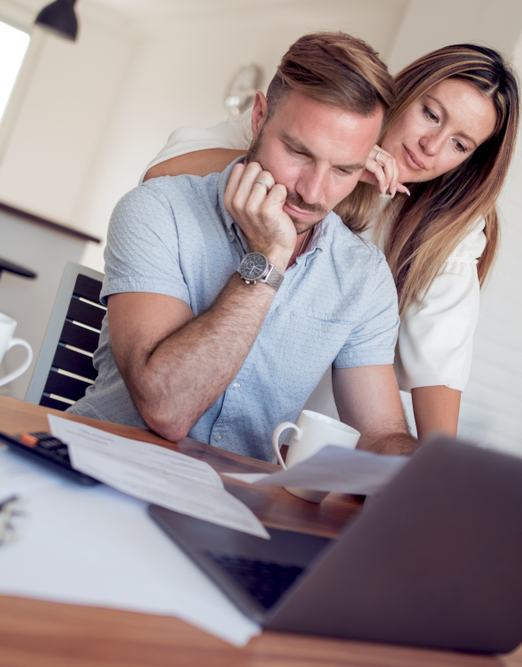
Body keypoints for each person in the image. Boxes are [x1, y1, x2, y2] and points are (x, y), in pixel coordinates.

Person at [143, 44, 521, 441]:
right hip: (183, 373)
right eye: (430, 114)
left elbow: (438, 380)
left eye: (459, 144)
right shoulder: (306, 114)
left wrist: (432, 480)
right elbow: (162, 177)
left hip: (284, 438)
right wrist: (338, 162)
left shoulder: (448, 234)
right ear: (406, 92)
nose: (431, 146)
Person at [69, 32, 417, 462]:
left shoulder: (362, 276)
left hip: (233, 507)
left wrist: (430, 476)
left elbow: (380, 434)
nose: (312, 191)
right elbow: (167, 409)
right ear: (258, 118)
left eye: (344, 169)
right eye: (298, 152)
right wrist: (269, 258)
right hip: (97, 469)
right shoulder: (158, 210)